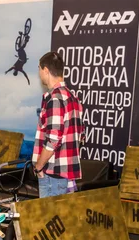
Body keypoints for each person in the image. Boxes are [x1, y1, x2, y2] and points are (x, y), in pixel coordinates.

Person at [33, 51, 83, 198]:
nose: (39, 73)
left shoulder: (55, 99)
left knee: (48, 219)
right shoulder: (73, 98)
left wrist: (38, 166)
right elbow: (80, 135)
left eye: (39, 69)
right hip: (65, 174)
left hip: (52, 174)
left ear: (46, 70)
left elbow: (53, 140)